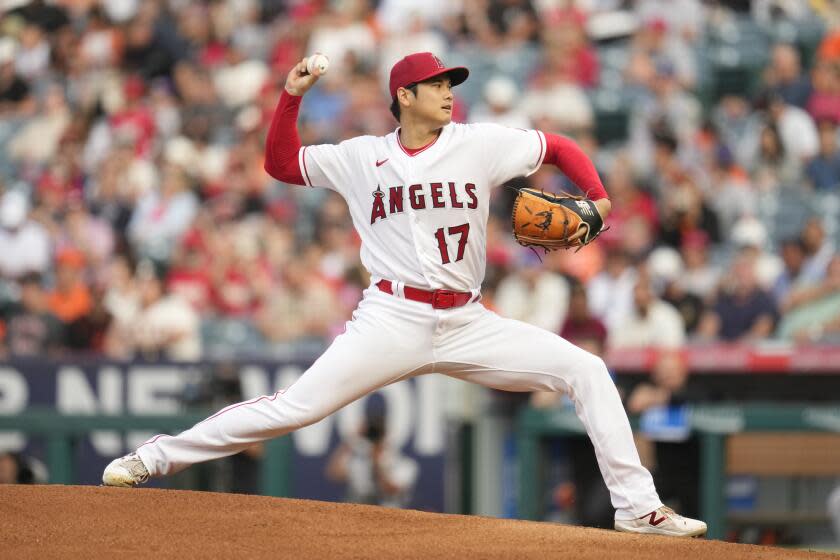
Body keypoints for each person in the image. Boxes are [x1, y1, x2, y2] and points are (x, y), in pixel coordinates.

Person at [103, 52, 705, 537]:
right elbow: (282, 165)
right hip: (390, 317)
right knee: (293, 408)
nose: (448, 91)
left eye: (450, 82)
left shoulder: (479, 143)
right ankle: (154, 458)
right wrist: (291, 96)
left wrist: (597, 197)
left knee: (587, 369)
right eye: (435, 84)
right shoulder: (362, 157)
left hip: (469, 320)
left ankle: (637, 507)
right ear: (404, 98)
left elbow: (558, 147)